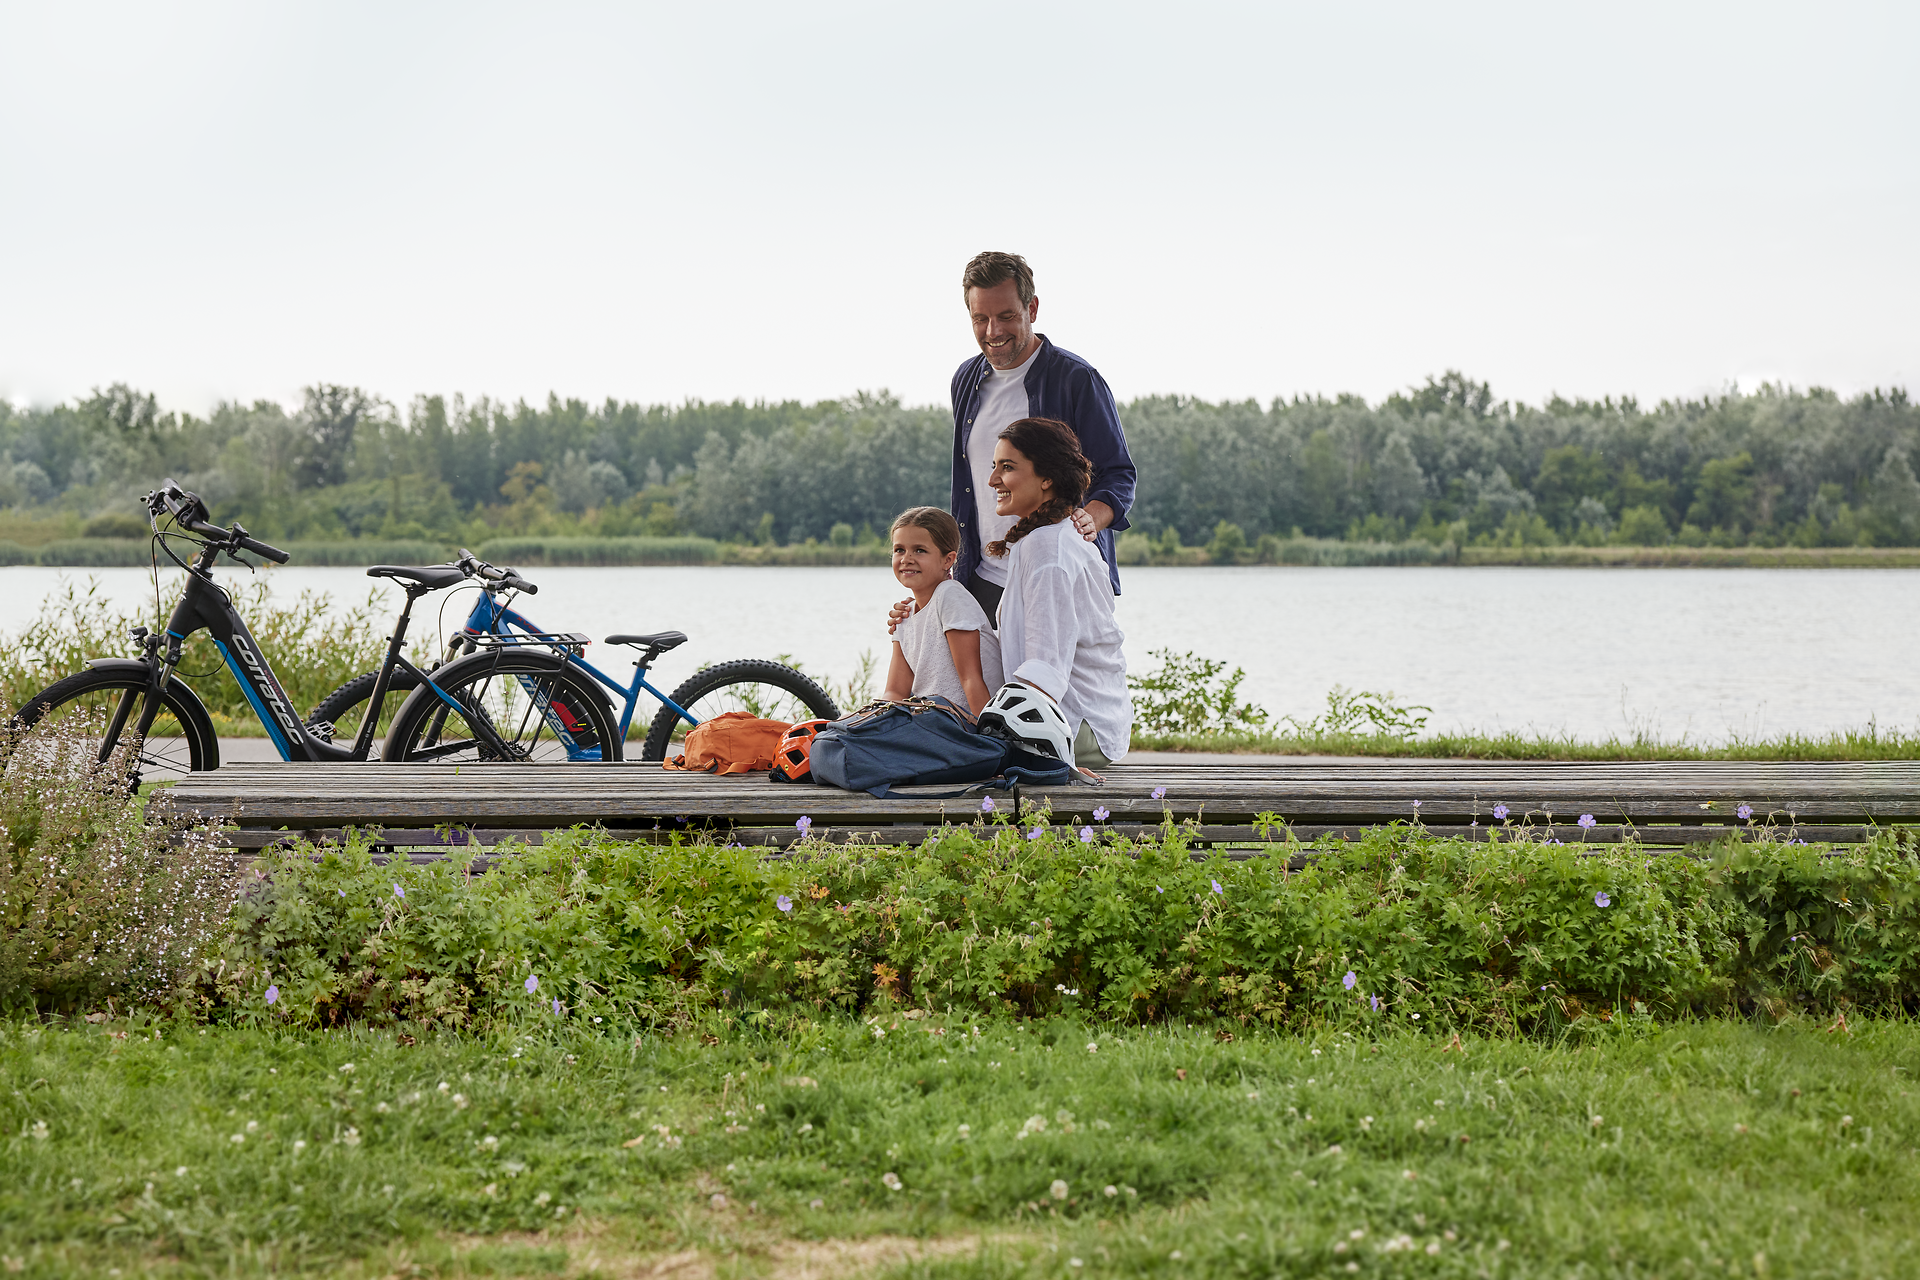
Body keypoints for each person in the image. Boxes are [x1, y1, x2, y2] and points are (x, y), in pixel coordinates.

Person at [891, 251, 1137, 631]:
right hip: (983, 578)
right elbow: (970, 488)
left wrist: (1092, 518)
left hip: (1056, 576)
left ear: (1032, 308)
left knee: (1051, 687)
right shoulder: (965, 380)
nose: (993, 332)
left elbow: (1118, 474)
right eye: (980, 319)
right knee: (978, 691)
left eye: (1006, 316)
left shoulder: (1077, 379)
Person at [984, 417, 1130, 767]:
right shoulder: (1041, 538)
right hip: (1068, 716)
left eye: (1007, 467)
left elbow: (1047, 666)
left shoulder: (1049, 549)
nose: (992, 480)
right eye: (994, 467)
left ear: (1046, 478)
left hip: (1074, 725)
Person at [881, 506, 1004, 717]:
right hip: (933, 721)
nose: (906, 558)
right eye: (899, 549)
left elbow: (971, 679)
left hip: (964, 723)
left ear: (948, 560)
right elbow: (894, 691)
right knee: (836, 735)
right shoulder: (904, 615)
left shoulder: (950, 596)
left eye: (920, 550)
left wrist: (989, 738)